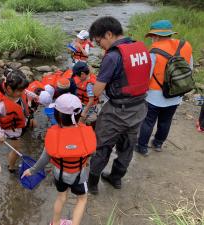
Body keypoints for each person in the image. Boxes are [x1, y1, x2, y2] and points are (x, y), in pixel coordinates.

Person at [86, 17, 151, 194]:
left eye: (100, 42)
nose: (101, 47)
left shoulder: (114, 56)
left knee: (102, 146)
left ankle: (92, 185)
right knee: (127, 146)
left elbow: (98, 90)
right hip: (139, 108)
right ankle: (116, 178)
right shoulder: (141, 48)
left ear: (109, 34)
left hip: (116, 111)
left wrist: (92, 89)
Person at [22, 93, 96, 225]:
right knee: (82, 199)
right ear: (78, 114)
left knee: (61, 197)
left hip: (59, 174)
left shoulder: (53, 135)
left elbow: (44, 159)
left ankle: (55, 223)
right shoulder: (87, 134)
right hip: (79, 175)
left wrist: (32, 171)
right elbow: (92, 151)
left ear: (57, 115)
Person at [135, 20, 193, 156]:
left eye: (152, 36)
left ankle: (142, 147)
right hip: (176, 93)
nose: (152, 39)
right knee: (166, 121)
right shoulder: (185, 45)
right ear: (170, 33)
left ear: (156, 36)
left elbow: (147, 76)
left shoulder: (153, 51)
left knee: (148, 121)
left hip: (154, 96)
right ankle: (158, 143)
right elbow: (189, 69)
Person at [0, 70, 30, 173]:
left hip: (19, 126)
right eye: (20, 90)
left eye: (23, 90)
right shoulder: (1, 105)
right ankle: (11, 166)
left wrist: (36, 97)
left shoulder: (18, 94)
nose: (22, 92)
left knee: (16, 147)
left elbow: (27, 92)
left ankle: (11, 161)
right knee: (16, 149)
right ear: (9, 89)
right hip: (12, 131)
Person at [72, 61, 98, 126]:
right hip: (83, 104)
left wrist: (84, 112)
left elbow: (91, 101)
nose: (77, 78)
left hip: (89, 107)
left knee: (80, 122)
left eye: (78, 76)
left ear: (82, 74)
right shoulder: (88, 75)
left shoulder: (89, 85)